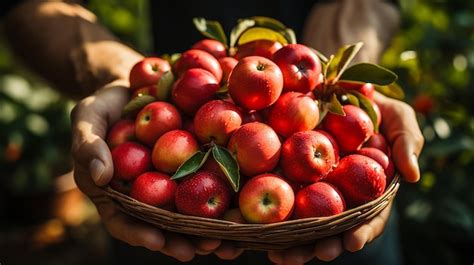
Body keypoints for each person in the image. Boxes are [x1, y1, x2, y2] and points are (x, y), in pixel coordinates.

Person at [2, 0, 424, 264]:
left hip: (336, 223)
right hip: (166, 223)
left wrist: (335, 82)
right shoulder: (205, 122)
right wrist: (128, 82)